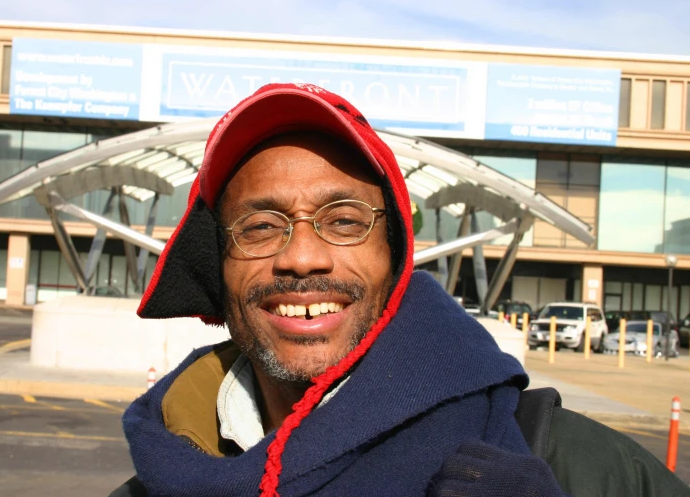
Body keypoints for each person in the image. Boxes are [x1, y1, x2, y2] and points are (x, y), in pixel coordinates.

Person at [112, 84, 688, 496]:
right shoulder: (163, 474)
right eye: (260, 227)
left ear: (395, 256)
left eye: (343, 221)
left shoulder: (574, 464)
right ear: (216, 267)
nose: (302, 258)